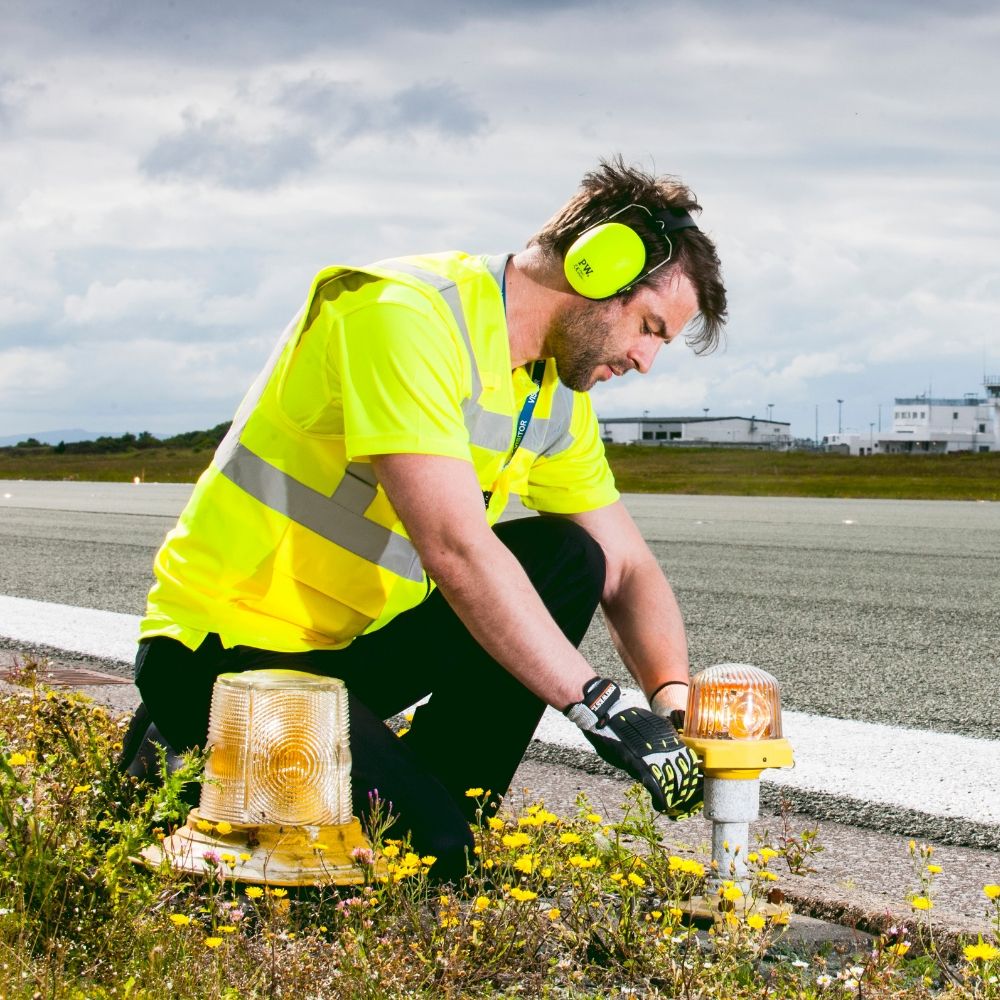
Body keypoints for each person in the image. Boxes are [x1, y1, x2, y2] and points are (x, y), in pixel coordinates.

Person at [120, 156, 727, 882]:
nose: (645, 360)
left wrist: (674, 704)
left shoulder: (554, 394)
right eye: (650, 327)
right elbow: (455, 550)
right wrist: (601, 708)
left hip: (355, 657)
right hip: (227, 655)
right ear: (600, 267)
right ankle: (191, 749)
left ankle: (443, 806)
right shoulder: (402, 315)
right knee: (428, 861)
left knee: (571, 556)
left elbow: (625, 568)